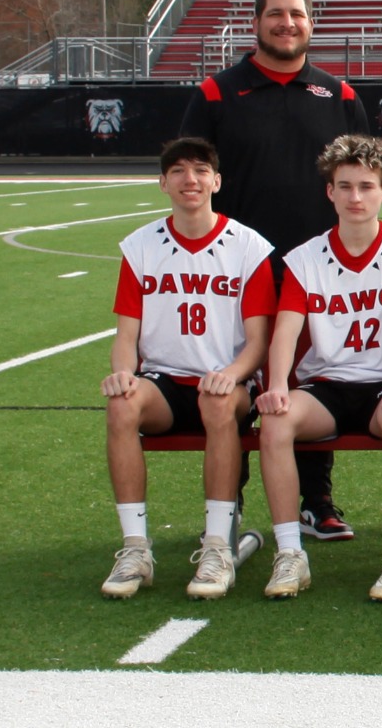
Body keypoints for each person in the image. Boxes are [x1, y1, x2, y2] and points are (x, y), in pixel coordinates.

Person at [181, 0, 369, 541]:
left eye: (297, 15)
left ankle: (317, 502)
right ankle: (230, 503)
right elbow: (194, 173)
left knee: (310, 375)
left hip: (319, 265)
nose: (287, 24)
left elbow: (364, 174)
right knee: (235, 379)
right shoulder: (217, 93)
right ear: (256, 23)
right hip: (237, 267)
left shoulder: (339, 95)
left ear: (311, 24)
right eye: (276, 15)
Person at [256, 136, 382, 601]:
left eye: (367, 186)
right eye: (346, 186)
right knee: (275, 422)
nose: (356, 197)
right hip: (328, 386)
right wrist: (277, 386)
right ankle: (289, 552)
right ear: (329, 192)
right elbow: (286, 332)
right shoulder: (304, 258)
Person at [98, 137, 276, 600]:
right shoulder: (140, 246)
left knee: (217, 403)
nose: (189, 179)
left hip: (227, 381)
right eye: (177, 171)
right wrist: (123, 374)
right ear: (163, 183)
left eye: (199, 170)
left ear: (216, 181)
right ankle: (135, 548)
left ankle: (217, 545)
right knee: (121, 405)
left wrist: (232, 373)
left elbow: (258, 341)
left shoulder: (248, 247)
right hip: (164, 381)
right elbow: (126, 335)